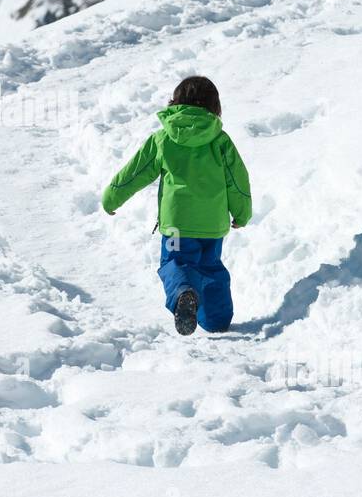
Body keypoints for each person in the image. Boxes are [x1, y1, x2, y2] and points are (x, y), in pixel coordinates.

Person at [101, 76, 252, 335]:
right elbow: (237, 181)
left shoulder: (164, 139)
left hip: (177, 225)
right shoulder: (220, 141)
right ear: (215, 107)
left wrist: (112, 197)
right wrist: (241, 213)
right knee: (210, 268)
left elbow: (136, 173)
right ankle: (216, 320)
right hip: (212, 225)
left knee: (176, 263)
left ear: (175, 103)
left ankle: (184, 293)